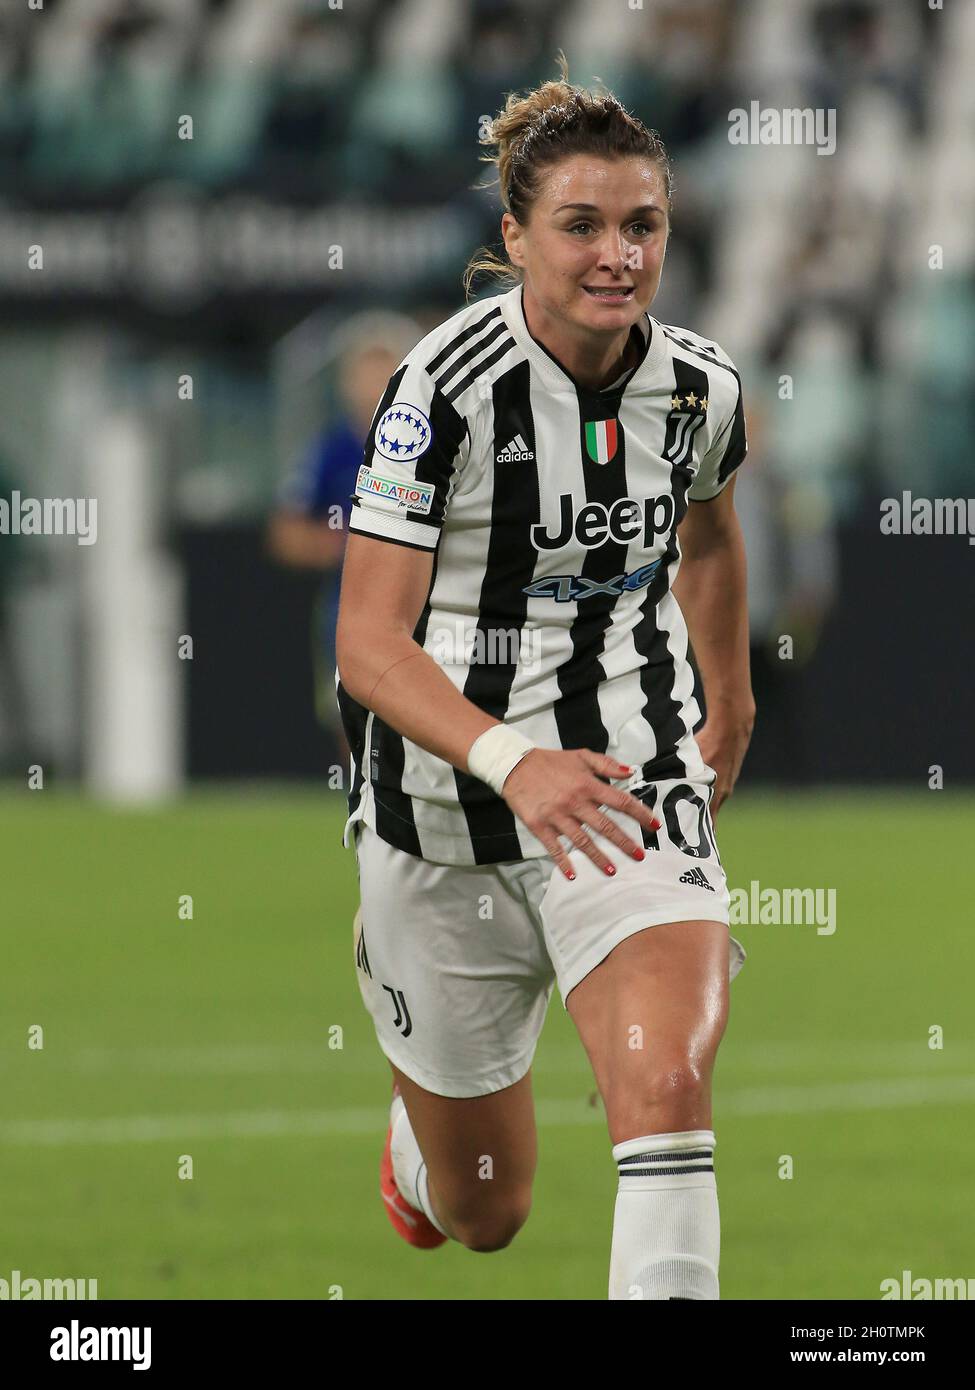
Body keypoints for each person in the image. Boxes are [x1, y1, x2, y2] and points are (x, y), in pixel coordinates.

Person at [335, 52, 755, 1300]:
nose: (617, 253)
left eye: (643, 225)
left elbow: (714, 536)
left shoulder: (702, 389)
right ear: (516, 236)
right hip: (442, 811)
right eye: (581, 225)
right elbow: (367, 645)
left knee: (667, 1085)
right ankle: (423, 1150)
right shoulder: (441, 395)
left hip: (631, 782)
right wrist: (518, 766)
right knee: (486, 1212)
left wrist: (727, 701)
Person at [268, 316, 419, 755]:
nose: (372, 384)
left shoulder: (433, 442)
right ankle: (361, 814)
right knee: (352, 721)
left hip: (430, 608)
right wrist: (350, 547)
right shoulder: (330, 451)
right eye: (363, 372)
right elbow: (285, 533)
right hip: (348, 608)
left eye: (384, 370)